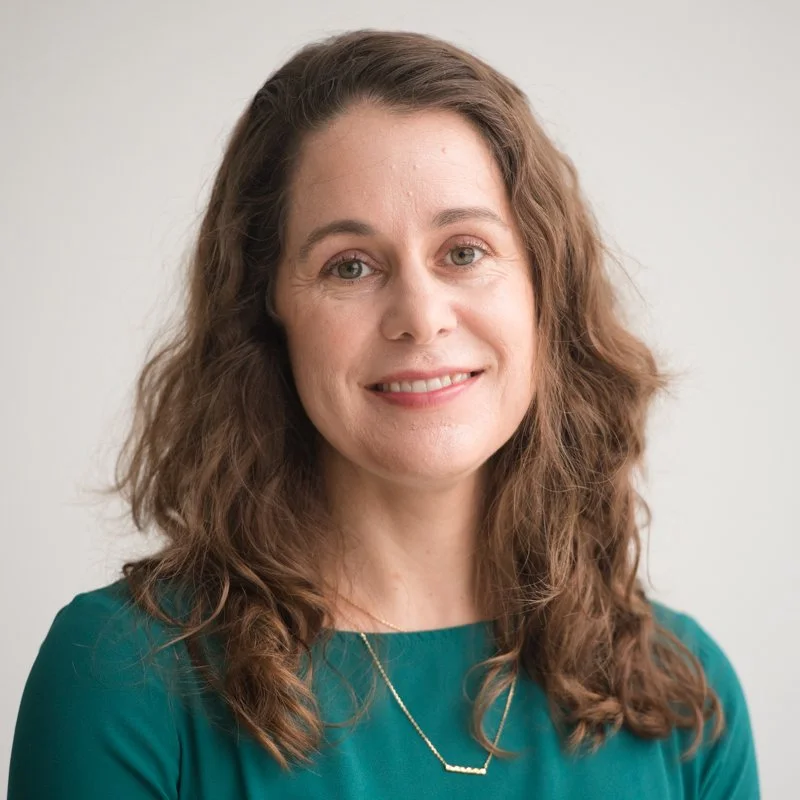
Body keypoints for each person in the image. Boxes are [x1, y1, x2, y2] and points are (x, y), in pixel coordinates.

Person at [8, 28, 760, 799]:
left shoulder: (685, 697)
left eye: (463, 251)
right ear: (267, 307)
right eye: (352, 266)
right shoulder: (123, 677)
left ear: (543, 288)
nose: (420, 317)